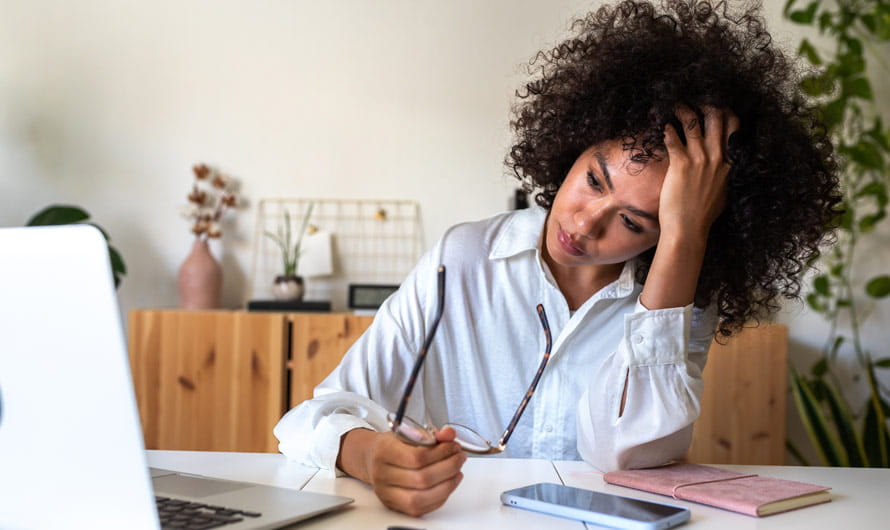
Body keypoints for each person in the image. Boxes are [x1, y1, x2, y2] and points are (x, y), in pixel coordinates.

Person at [273, 0, 841, 517]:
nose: (585, 221)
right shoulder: (465, 259)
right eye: (594, 179)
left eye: (635, 221)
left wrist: (686, 237)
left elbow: (623, 453)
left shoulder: (676, 294)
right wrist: (370, 456)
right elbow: (310, 420)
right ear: (576, 142)